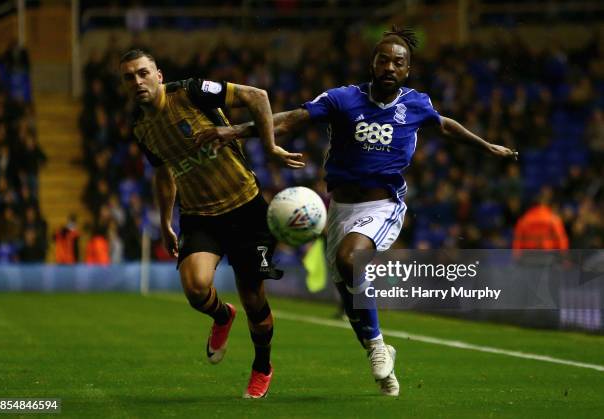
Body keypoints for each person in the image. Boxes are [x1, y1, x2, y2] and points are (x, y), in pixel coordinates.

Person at [194, 26, 518, 396]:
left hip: (383, 205)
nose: (390, 67)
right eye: (384, 59)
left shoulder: (416, 104)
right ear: (372, 63)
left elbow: (444, 125)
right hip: (340, 209)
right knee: (349, 296)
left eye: (399, 62)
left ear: (407, 70)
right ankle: (378, 352)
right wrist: (232, 131)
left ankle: (379, 346)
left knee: (351, 261)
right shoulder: (342, 99)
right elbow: (287, 120)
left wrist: (486, 146)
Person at [119, 49, 303, 398]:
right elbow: (162, 172)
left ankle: (262, 366)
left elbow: (256, 96)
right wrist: (164, 222)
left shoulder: (191, 92)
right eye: (129, 77)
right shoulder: (141, 128)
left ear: (158, 75)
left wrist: (269, 145)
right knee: (195, 288)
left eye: (143, 73)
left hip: (245, 208)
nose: (137, 82)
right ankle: (221, 316)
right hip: (199, 214)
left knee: (254, 299)